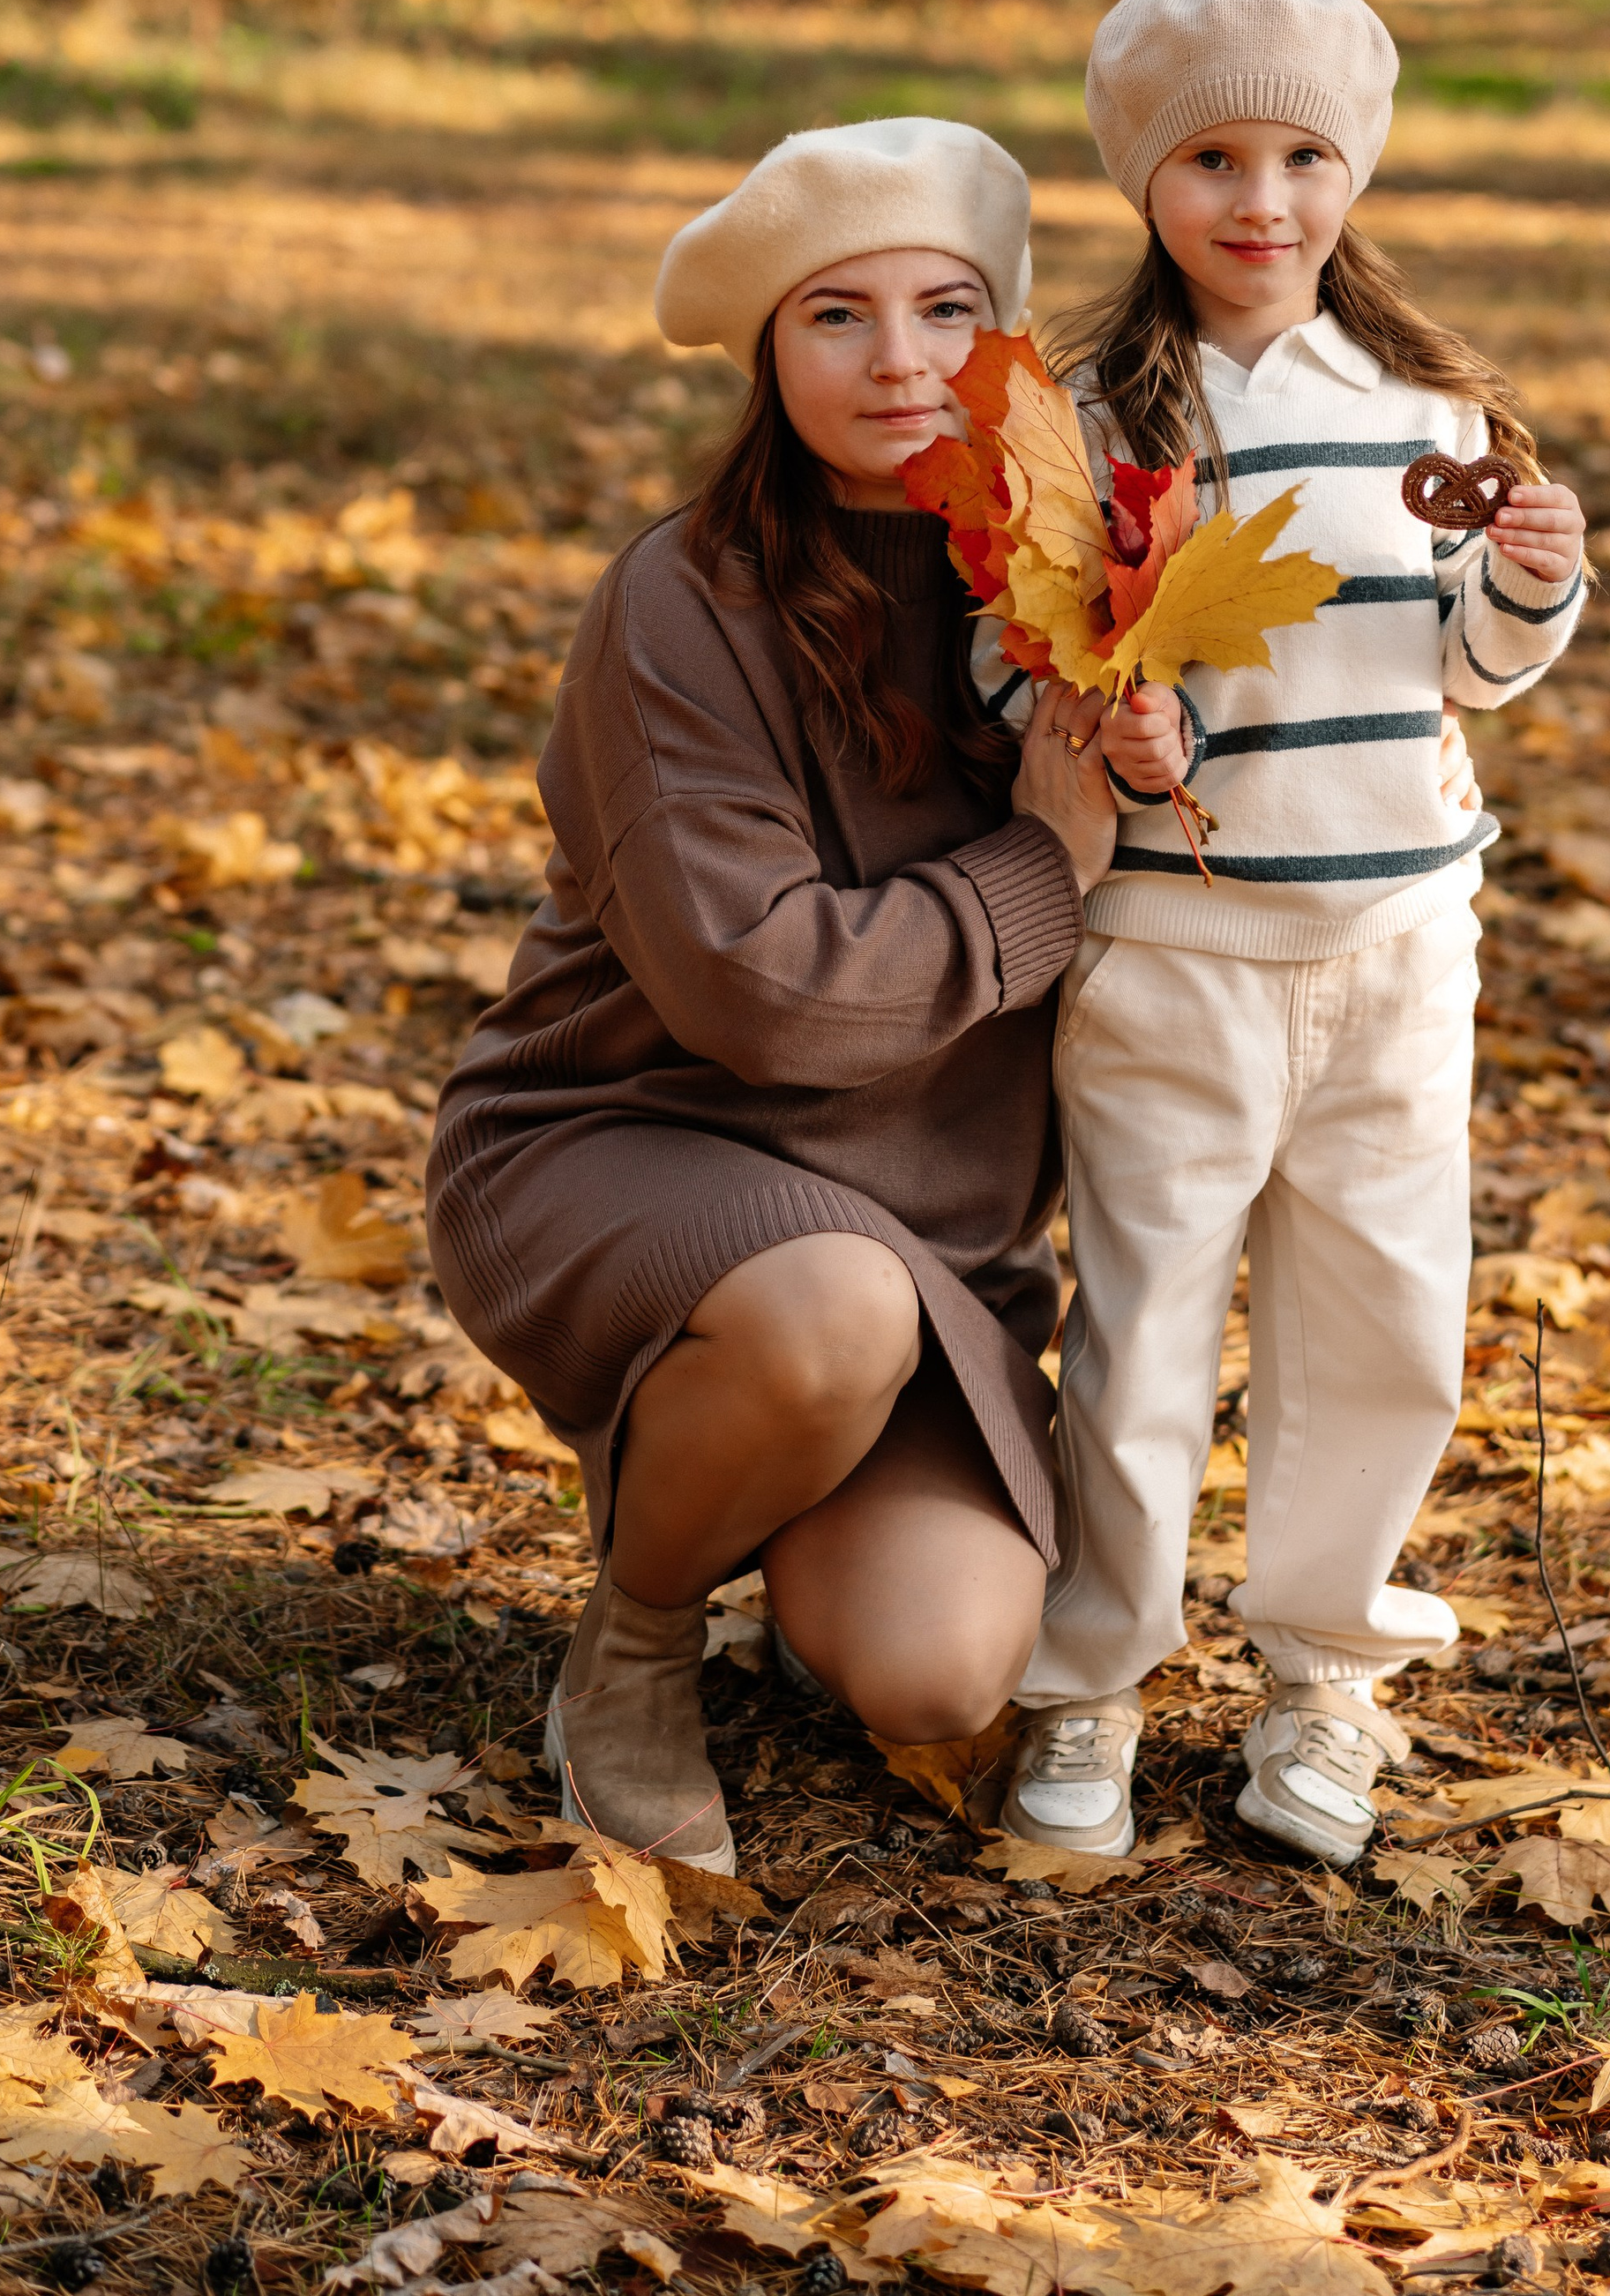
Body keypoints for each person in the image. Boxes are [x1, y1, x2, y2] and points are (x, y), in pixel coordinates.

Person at [425, 116, 1115, 1875]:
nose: (899, 361)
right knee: (824, 1317)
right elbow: (757, 993)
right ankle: (635, 1640)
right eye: (835, 315)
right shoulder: (684, 597)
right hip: (631, 1139)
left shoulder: (1093, 589)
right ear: (766, 349)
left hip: (925, 1234)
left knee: (933, 1662)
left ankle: (757, 1485)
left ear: (1009, 335)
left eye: (946, 307)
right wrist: (1040, 867)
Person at [993, 0, 1588, 1867]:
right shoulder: (1084, 415)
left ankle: (1325, 1671)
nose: (1262, 204)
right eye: (1212, 161)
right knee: (1148, 1318)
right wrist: (1105, 718)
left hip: (1399, 942)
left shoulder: (1425, 399)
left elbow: (1474, 667)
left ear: (1358, 172)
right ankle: (1089, 1673)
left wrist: (1532, 578)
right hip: (1171, 945)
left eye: (1303, 158)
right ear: (1143, 181)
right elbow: (1014, 655)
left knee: (1382, 1316)